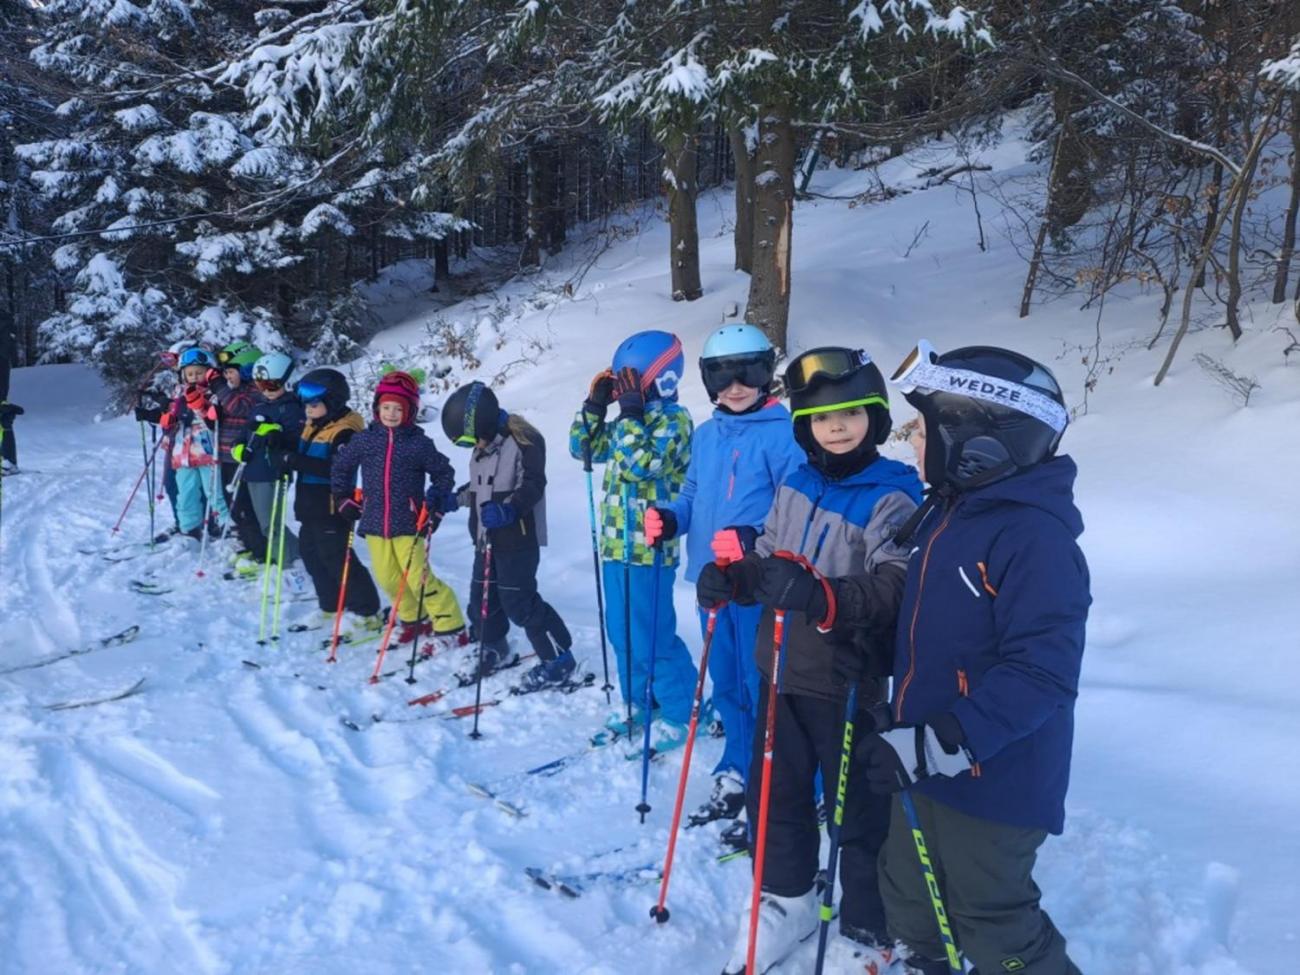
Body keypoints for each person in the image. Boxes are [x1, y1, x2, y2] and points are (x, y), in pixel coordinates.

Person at [857, 342, 1089, 975]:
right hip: (924, 760)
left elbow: (1042, 674)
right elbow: (930, 631)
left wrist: (935, 742)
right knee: (907, 889)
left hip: (993, 780)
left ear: (978, 441)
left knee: (992, 916)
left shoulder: (1032, 539)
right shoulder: (950, 515)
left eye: (921, 429)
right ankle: (919, 960)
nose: (910, 442)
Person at [697, 347, 923, 975]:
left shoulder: (894, 496)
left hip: (846, 682)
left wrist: (825, 597)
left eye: (852, 413)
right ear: (805, 426)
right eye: (824, 418)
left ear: (874, 419)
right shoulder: (796, 482)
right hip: (779, 671)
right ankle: (789, 897)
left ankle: (865, 920)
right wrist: (735, 579)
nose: (838, 426)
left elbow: (896, 585)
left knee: (856, 811)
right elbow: (769, 554)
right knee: (778, 795)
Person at [645, 324, 804, 828]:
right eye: (722, 375)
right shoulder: (707, 433)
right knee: (728, 680)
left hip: (760, 586)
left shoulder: (786, 436)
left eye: (748, 373)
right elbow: (693, 494)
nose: (735, 386)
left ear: (767, 373)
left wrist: (752, 538)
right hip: (713, 584)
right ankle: (738, 763)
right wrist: (673, 517)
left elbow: (795, 512)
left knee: (765, 685)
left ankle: (775, 772)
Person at [569, 329, 698, 755]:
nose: (628, 392)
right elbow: (581, 448)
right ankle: (638, 700)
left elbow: (641, 464)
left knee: (653, 636)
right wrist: (594, 406)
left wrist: (628, 414)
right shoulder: (632, 420)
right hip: (615, 548)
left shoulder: (675, 422)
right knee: (622, 633)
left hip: (650, 550)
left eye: (631, 384)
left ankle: (682, 709)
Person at [442, 381, 576, 688]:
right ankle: (494, 646)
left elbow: (533, 485)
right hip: (485, 539)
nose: (471, 446)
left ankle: (559, 659)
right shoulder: (483, 447)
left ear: (484, 423)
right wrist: (454, 499)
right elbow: (477, 489)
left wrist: (509, 510)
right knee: (482, 599)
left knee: (520, 603)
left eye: (469, 440)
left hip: (517, 541)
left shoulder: (525, 440)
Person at [330, 370, 467, 652]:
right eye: (386, 407)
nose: (391, 414)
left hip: (409, 523)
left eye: (398, 409)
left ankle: (450, 624)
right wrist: (343, 498)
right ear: (377, 408)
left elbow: (444, 474)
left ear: (410, 412)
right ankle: (413, 620)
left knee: (418, 577)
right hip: (374, 521)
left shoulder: (418, 444)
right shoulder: (365, 441)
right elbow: (341, 467)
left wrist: (435, 504)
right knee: (388, 578)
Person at [282, 368, 384, 638]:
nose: (308, 409)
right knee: (312, 555)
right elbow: (304, 446)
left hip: (332, 505)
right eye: (306, 403)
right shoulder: (317, 422)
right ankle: (330, 605)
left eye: (314, 403)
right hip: (309, 504)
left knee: (338, 558)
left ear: (333, 402)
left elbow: (335, 467)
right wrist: (279, 442)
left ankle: (367, 612)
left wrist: (293, 461)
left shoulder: (345, 432)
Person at [231, 351, 307, 591]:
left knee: (269, 523)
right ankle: (296, 553)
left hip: (273, 472)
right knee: (260, 521)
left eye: (273, 384)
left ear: (284, 382)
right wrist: (240, 450)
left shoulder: (292, 408)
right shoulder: (259, 406)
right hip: (251, 472)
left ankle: (287, 564)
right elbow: (242, 437)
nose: (268, 389)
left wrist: (276, 436)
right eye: (262, 384)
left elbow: (296, 440)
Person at [158, 347, 232, 543]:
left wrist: (201, 408)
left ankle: (227, 525)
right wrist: (168, 422)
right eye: (189, 373)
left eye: (199, 372)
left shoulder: (214, 393)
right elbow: (174, 417)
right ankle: (189, 529)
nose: (194, 377)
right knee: (186, 494)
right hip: (183, 455)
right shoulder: (178, 394)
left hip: (207, 453)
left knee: (215, 492)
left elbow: (214, 420)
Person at [213, 341, 264, 575]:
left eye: (230, 372)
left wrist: (219, 386)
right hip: (226, 457)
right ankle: (245, 546)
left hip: (243, 460)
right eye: (224, 373)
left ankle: (259, 553)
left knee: (245, 507)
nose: (226, 377)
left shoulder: (256, 391)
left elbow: (240, 408)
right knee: (233, 506)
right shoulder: (233, 392)